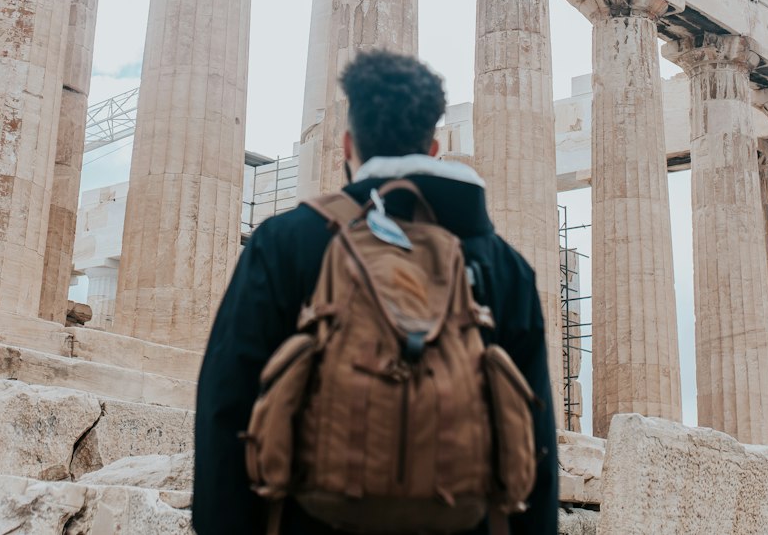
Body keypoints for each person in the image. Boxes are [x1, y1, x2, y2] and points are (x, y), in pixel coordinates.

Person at [194, 50, 559, 534]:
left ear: (348, 146)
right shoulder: (504, 266)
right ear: (434, 148)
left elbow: (226, 406)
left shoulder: (287, 243)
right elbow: (534, 435)